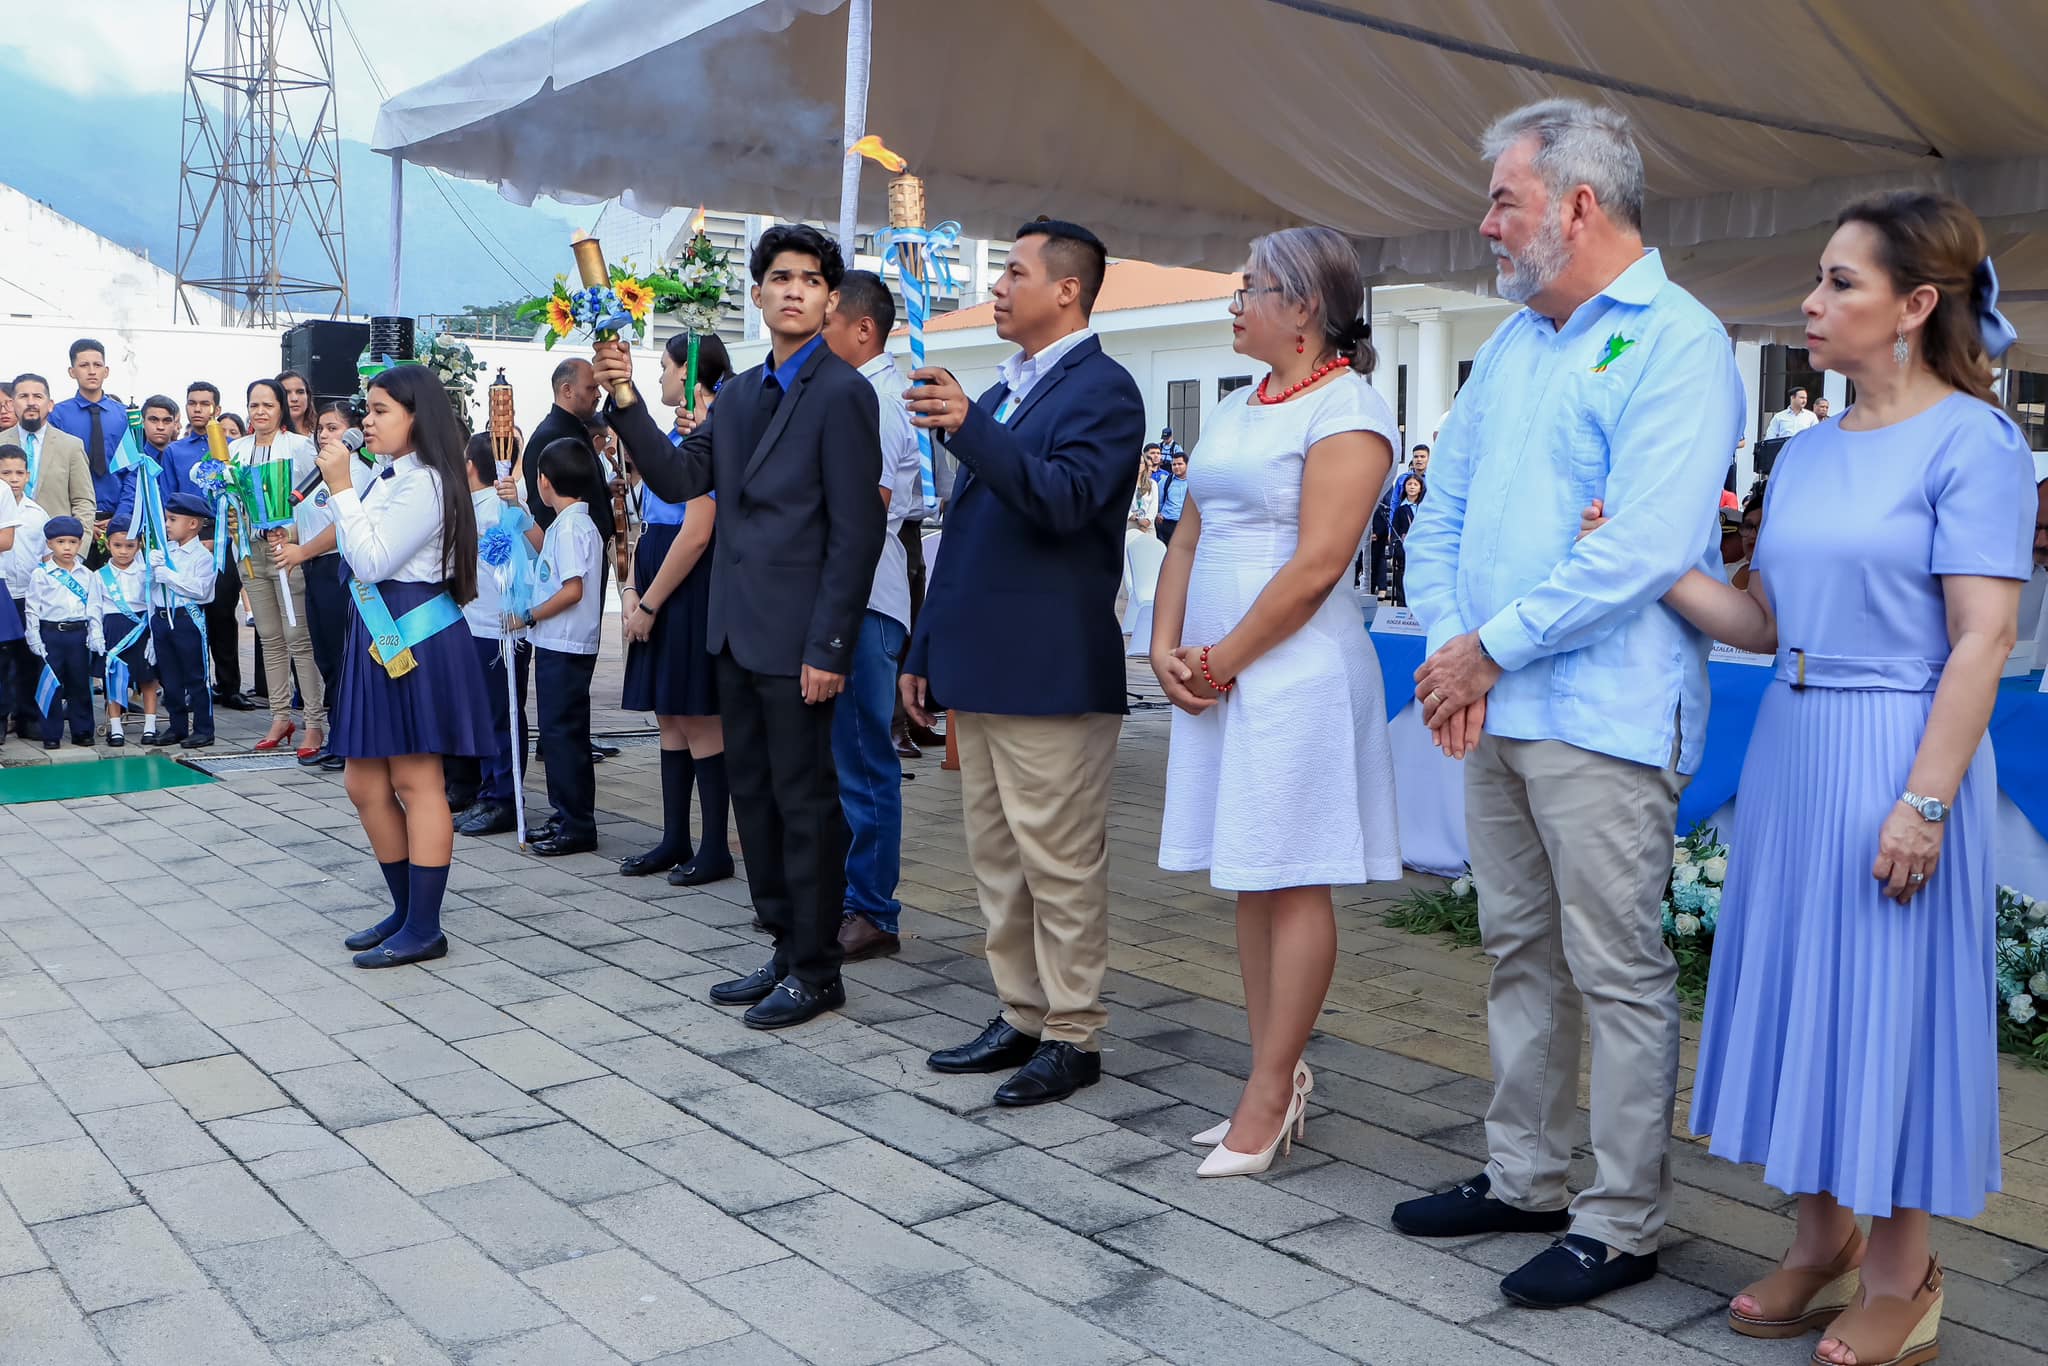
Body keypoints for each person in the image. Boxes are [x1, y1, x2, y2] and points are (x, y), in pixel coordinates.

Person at [1580, 191, 2030, 1366]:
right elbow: (1760, 616)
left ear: (1913, 305)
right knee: (1806, 1002)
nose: (1809, 301)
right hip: (1792, 745)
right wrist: (1651, 559)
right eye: (1816, 279)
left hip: (1898, 749)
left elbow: (1980, 638)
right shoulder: (1805, 449)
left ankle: (1902, 1273)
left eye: (1838, 282)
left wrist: (1926, 802)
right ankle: (1819, 1243)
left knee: (1885, 1007)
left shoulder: (1973, 443)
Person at [1394, 97, 1743, 1308]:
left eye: (1502, 198)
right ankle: (1524, 1174)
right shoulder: (1512, 343)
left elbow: (1642, 546)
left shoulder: (1675, 340)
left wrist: (1483, 649)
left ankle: (1621, 1215)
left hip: (1598, 713)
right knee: (1515, 953)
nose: (1484, 222)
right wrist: (1449, 649)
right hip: (1490, 702)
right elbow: (1438, 509)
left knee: (1615, 970)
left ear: (1576, 204)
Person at [1151, 224, 1398, 1177]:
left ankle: (1272, 1085)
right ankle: (1270, 1071)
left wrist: (1222, 663)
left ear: (1302, 306)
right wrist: (1168, 647)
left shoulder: (1350, 409)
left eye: (1250, 289)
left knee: (1293, 872)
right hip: (1216, 664)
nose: (1234, 304)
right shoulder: (1241, 403)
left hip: (1292, 672)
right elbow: (1184, 541)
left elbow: (1316, 567)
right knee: (1249, 869)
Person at [595, 222, 884, 1031]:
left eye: (810, 279)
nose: (793, 289)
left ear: (829, 299)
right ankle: (786, 947)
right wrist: (625, 401)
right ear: (756, 295)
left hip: (801, 645)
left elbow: (855, 533)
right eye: (779, 277)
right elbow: (685, 477)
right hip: (733, 634)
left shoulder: (843, 393)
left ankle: (819, 969)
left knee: (806, 804)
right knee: (753, 800)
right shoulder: (746, 393)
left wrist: (831, 645)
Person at [901, 218, 1145, 1105]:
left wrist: (969, 424)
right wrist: (923, 648)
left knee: (1060, 860)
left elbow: (1067, 501)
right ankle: (1021, 1012)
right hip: (981, 663)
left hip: (1050, 668)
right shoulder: (1008, 392)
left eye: (1013, 272)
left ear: (1067, 291)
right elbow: (964, 534)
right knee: (997, 857)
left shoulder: (1104, 390)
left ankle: (1074, 1031)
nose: (997, 287)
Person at [326, 364, 492, 969]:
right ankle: (404, 911)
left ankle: (425, 926)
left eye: (379, 411)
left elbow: (371, 561)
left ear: (417, 417)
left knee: (415, 781)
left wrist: (343, 488)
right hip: (376, 631)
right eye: (365, 409)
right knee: (364, 782)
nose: (364, 422)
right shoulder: (387, 477)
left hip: (411, 632)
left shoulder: (424, 483)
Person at [822, 269, 927, 961]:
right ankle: (849, 896)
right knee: (846, 756)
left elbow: (871, 507)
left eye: (829, 319)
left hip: (864, 596)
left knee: (864, 759)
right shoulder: (859, 393)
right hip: (851, 595)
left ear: (863, 329)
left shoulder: (876, 400)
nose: (818, 333)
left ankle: (872, 909)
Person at [616, 332, 736, 883]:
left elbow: (696, 531)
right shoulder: (674, 434)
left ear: (691, 375)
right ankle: (674, 837)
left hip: (690, 583)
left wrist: (652, 601)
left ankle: (714, 848)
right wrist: (632, 589)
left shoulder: (711, 437)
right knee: (670, 713)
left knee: (699, 714)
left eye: (665, 369)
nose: (661, 378)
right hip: (658, 575)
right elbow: (652, 524)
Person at [513, 439, 609, 857]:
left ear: (545, 481)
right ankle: (564, 813)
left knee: (564, 735)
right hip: (559, 643)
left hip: (565, 644)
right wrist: (517, 511)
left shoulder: (572, 528)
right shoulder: (567, 523)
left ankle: (577, 824)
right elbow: (541, 549)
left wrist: (530, 614)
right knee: (557, 733)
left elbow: (572, 590)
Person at [233, 379, 325, 758]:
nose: (260, 412)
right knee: (269, 637)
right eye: (253, 405)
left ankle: (315, 722)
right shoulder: (235, 450)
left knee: (298, 638)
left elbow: (317, 503)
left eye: (268, 404)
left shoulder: (301, 448)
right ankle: (279, 715)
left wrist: (290, 531)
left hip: (286, 549)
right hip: (249, 551)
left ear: (281, 408)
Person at [270, 399, 362, 769]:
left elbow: (343, 526)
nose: (324, 434)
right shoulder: (317, 471)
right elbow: (309, 520)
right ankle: (339, 734)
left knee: (341, 658)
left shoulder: (356, 470)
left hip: (338, 568)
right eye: (321, 428)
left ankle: (347, 738)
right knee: (325, 657)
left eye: (334, 428)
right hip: (314, 569)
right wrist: (288, 533)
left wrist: (303, 551)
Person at [449, 433, 525, 837]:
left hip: (499, 625)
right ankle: (488, 788)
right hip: (472, 620)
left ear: (471, 465)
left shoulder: (498, 509)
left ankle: (505, 797)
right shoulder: (471, 507)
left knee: (501, 714)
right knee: (480, 714)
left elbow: (515, 563)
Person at [146, 493, 220, 749]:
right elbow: (149, 588)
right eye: (167, 518)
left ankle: (203, 728)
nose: (167, 524)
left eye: (173, 519)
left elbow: (203, 591)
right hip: (162, 617)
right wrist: (150, 570)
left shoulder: (202, 556)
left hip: (188, 617)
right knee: (169, 676)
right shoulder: (167, 552)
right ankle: (177, 726)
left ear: (192, 524)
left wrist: (169, 576)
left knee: (195, 675)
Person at [46, 340, 135, 547]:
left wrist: (121, 516)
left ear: (107, 371)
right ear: (72, 371)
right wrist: (79, 520)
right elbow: (56, 473)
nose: (92, 371)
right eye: (84, 365)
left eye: (97, 365)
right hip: (71, 524)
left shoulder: (124, 417)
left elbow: (133, 470)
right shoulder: (58, 416)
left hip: (116, 522)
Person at [26, 516, 101, 748]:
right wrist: (34, 636)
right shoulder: (41, 574)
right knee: (51, 683)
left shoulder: (87, 575)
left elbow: (94, 607)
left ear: (80, 544)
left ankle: (83, 731)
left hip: (78, 634)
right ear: (50, 544)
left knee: (80, 683)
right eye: (60, 542)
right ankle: (50, 733)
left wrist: (95, 633)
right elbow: (32, 608)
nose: (66, 547)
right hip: (51, 634)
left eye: (72, 542)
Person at [525, 358, 616, 545]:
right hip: (571, 556)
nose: (598, 395)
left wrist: (605, 491)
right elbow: (544, 507)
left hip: (589, 550)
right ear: (567, 390)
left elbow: (576, 491)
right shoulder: (549, 436)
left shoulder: (577, 430)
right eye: (591, 388)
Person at [0, 448, 49, 739]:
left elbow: (45, 556)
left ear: (28, 475)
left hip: (28, 596)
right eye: (6, 473)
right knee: (4, 662)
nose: (13, 479)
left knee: (30, 658)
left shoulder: (37, 514)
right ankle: (4, 717)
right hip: (4, 592)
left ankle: (28, 716)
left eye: (19, 473)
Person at [8, 375, 98, 525]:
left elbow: (84, 502)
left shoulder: (71, 446)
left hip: (56, 544)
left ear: (50, 405)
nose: (31, 403)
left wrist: (79, 546)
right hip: (7, 544)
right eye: (23, 396)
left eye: (38, 396)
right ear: (11, 404)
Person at [96, 529, 157, 746]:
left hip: (141, 627)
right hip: (113, 627)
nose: (123, 551)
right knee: (114, 679)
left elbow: (153, 603)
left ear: (138, 546)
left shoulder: (145, 572)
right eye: (118, 545)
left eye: (130, 546)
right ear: (108, 544)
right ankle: (116, 728)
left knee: (147, 678)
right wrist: (95, 633)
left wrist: (153, 635)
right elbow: (94, 606)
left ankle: (150, 726)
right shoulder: (100, 575)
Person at [1389, 471, 1426, 605]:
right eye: (1409, 484)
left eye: (1415, 484)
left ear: (1421, 488)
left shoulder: (1425, 508)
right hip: (1404, 549)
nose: (1412, 487)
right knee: (1402, 578)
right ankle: (1402, 605)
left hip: (1421, 548)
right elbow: (1395, 529)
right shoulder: (1401, 509)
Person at [1155, 452, 1189, 543]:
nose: (1176, 467)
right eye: (1174, 464)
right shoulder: (1165, 481)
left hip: (1188, 524)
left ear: (1187, 465)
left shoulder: (1194, 482)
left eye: (1180, 464)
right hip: (1168, 523)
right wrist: (1158, 513)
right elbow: (1159, 501)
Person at [277, 369, 317, 437]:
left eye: (300, 392)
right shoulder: (268, 436)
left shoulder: (322, 433)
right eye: (286, 393)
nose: (294, 399)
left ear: (308, 396)